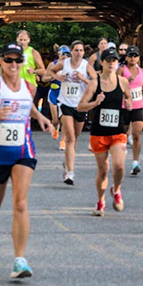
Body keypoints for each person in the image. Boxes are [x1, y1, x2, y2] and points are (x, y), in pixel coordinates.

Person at [0, 43, 53, 279]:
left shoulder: (29, 86)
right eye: (9, 61)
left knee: (20, 203)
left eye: (18, 61)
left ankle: (19, 260)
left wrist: (41, 117)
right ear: (2, 62)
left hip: (23, 150)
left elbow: (28, 108)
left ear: (23, 63)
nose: (14, 65)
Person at [78, 47, 132, 217]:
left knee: (119, 166)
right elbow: (80, 106)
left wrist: (129, 104)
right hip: (99, 132)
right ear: (101, 62)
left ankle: (116, 190)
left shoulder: (122, 81)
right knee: (103, 170)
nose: (111, 63)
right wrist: (96, 102)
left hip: (117, 131)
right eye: (108, 61)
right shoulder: (95, 83)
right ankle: (100, 201)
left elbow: (129, 97)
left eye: (114, 61)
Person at [45, 40, 97, 185]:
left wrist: (83, 79)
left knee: (76, 136)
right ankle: (70, 173)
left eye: (81, 50)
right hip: (65, 103)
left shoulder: (86, 66)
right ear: (72, 51)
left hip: (80, 105)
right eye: (76, 50)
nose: (78, 53)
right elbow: (50, 71)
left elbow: (95, 82)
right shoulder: (65, 63)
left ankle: (68, 161)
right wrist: (57, 77)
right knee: (70, 138)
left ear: (83, 52)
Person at [118, 45, 143, 175]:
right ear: (126, 57)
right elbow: (114, 84)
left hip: (138, 105)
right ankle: (119, 161)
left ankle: (136, 162)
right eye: (130, 56)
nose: (133, 58)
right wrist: (126, 80)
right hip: (124, 105)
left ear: (138, 58)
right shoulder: (121, 69)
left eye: (135, 56)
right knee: (122, 136)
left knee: (137, 135)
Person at [45, 45, 70, 149]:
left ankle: (63, 141)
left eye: (67, 54)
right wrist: (53, 77)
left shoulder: (71, 65)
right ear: (58, 54)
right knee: (55, 120)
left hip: (64, 94)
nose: (64, 56)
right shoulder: (53, 64)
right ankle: (56, 128)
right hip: (54, 92)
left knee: (64, 118)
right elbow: (44, 78)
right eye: (62, 54)